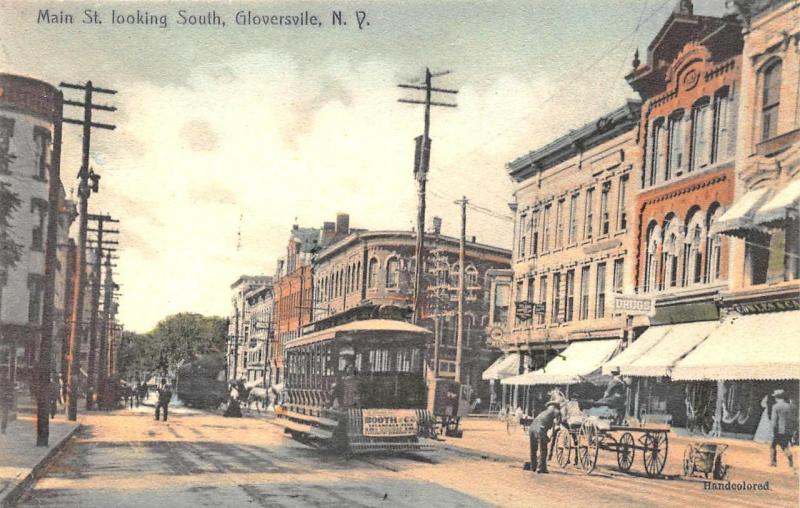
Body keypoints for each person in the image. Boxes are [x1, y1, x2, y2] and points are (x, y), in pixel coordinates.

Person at [528, 400, 561, 474]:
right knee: (543, 449)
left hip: (532, 427)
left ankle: (533, 467)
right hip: (541, 428)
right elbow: (556, 425)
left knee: (533, 449)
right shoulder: (556, 411)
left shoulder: (544, 412)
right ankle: (541, 468)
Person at [770, 390, 795, 469]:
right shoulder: (789, 406)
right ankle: (790, 458)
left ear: (777, 397)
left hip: (778, 430)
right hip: (788, 430)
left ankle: (773, 462)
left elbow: (774, 420)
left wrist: (773, 430)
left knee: (773, 446)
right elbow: (792, 419)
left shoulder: (776, 406)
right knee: (785, 446)